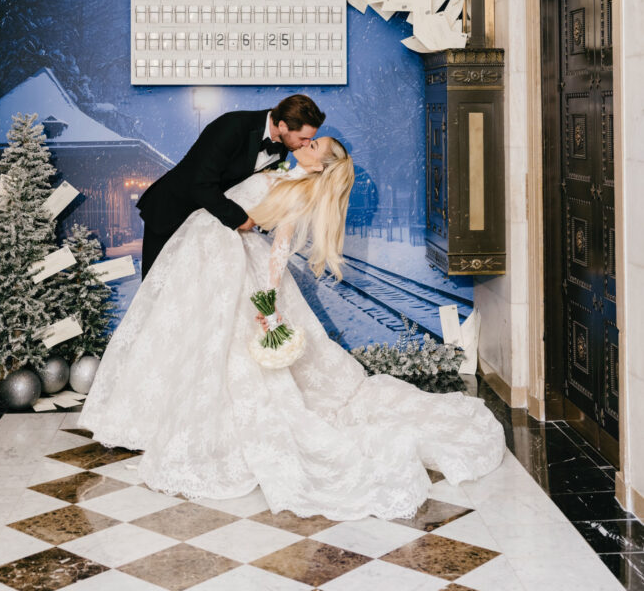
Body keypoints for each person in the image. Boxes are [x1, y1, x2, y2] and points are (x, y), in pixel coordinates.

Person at [79, 136, 505, 521]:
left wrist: (267, 299)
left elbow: (280, 248)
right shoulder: (283, 169)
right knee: (179, 333)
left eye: (316, 145)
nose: (309, 142)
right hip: (203, 244)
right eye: (312, 139)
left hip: (226, 256)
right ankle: (153, 417)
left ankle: (196, 424)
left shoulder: (300, 192)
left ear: (322, 165)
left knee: (219, 347)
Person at [136, 93, 325, 278]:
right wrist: (241, 219)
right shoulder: (233, 126)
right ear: (283, 125)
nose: (306, 144)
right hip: (172, 214)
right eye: (303, 138)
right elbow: (200, 184)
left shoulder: (283, 147)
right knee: (158, 290)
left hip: (209, 226)